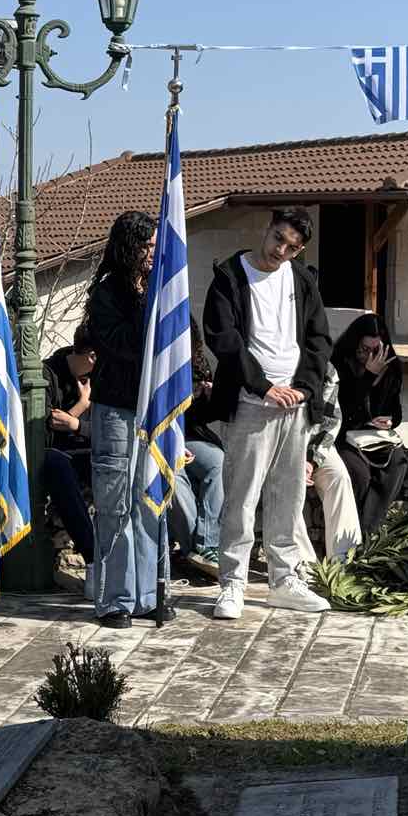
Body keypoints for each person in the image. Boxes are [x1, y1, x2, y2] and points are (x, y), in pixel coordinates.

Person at [203, 208, 333, 619]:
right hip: (250, 403)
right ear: (267, 229)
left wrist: (304, 388)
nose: (281, 250)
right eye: (279, 239)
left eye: (292, 247)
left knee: (289, 495)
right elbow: (223, 339)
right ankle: (232, 583)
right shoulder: (229, 276)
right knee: (242, 495)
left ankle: (284, 579)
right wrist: (263, 386)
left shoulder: (302, 279)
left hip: (295, 404)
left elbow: (319, 339)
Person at [86, 211, 179, 629]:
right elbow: (126, 345)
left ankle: (147, 594)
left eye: (157, 246)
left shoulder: (161, 289)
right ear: (129, 247)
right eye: (146, 246)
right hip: (117, 410)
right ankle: (115, 599)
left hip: (151, 412)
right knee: (116, 504)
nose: (152, 254)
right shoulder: (109, 293)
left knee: (148, 501)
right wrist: (147, 306)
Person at [331, 313, 408, 537]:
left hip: (375, 436)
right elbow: (342, 410)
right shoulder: (340, 364)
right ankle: (351, 533)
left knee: (397, 465)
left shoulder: (391, 368)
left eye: (376, 349)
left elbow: (397, 410)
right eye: (365, 349)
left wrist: (390, 420)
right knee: (359, 474)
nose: (371, 355)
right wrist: (367, 377)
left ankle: (367, 532)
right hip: (345, 435)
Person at [174, 318, 226, 580]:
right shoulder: (157, 358)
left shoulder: (198, 361)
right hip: (159, 437)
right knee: (175, 479)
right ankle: (193, 552)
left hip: (190, 435)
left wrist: (208, 397)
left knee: (218, 461)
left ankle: (206, 545)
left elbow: (204, 416)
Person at [42, 324, 96, 573]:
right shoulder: (48, 373)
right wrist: (82, 405)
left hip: (86, 447)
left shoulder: (98, 380)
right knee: (60, 469)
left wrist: (75, 423)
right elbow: (51, 424)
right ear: (91, 356)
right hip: (56, 453)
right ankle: (93, 556)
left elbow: (101, 431)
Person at [300, 367, 363, 563]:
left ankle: (344, 560)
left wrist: (312, 459)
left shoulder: (325, 369)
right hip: (280, 444)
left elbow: (330, 421)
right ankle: (302, 564)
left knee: (338, 477)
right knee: (290, 486)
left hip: (314, 443)